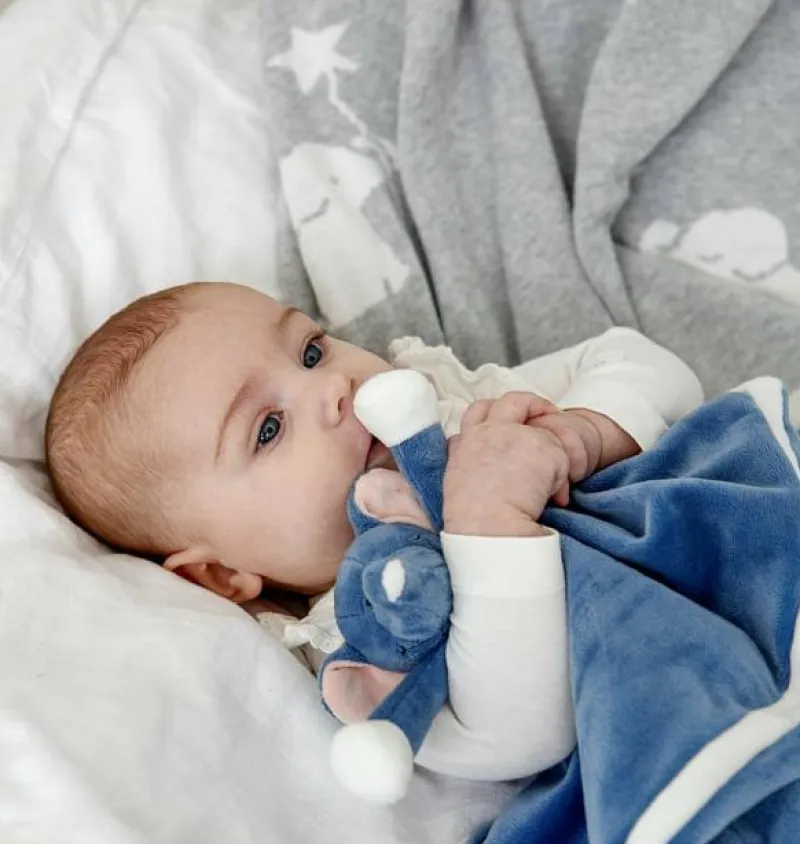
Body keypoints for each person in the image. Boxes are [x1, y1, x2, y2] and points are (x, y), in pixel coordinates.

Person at [45, 282, 703, 781]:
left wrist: (583, 431)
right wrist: (490, 523)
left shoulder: (457, 406)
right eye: (268, 428)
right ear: (219, 574)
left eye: (310, 350)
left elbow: (649, 365)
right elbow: (516, 736)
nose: (334, 386)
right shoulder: (365, 634)